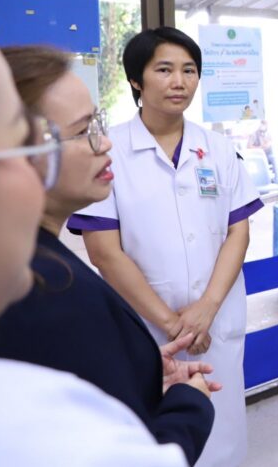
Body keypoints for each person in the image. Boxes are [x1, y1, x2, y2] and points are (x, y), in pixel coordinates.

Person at [0, 45, 216, 464]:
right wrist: (189, 403)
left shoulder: (44, 263)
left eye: (98, 123)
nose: (103, 142)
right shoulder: (38, 288)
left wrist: (137, 369)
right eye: (82, 129)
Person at [71, 27, 262, 467]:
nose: (179, 81)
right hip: (148, 329)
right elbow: (105, 253)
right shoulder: (108, 150)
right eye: (164, 70)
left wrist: (207, 308)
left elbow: (238, 232)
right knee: (158, 439)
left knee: (224, 435)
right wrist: (174, 325)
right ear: (136, 80)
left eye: (189, 70)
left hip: (216, 322)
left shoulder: (218, 148)